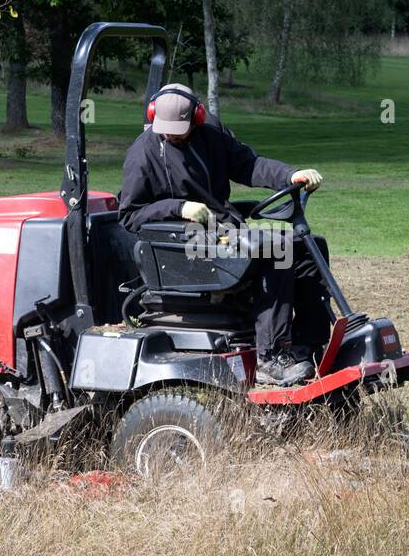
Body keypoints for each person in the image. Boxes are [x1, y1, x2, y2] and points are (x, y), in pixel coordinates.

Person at [117, 83, 330, 385]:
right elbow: (129, 215)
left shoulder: (213, 134)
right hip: (180, 246)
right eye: (165, 130)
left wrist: (289, 175)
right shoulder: (142, 154)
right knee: (277, 251)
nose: (171, 135)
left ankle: (307, 344)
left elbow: (249, 165)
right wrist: (179, 208)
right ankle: (270, 358)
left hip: (221, 234)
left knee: (308, 248)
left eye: (180, 129)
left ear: (198, 117)